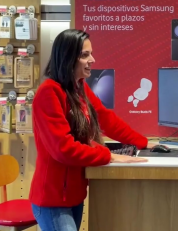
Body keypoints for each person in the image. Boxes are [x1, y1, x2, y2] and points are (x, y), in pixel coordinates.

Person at [29, 29, 157, 231]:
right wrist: (108, 155)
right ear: (68, 57)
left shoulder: (79, 88)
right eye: (84, 55)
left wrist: (142, 142)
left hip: (74, 194)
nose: (92, 60)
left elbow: (107, 119)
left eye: (91, 53)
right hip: (53, 200)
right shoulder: (49, 92)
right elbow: (63, 148)